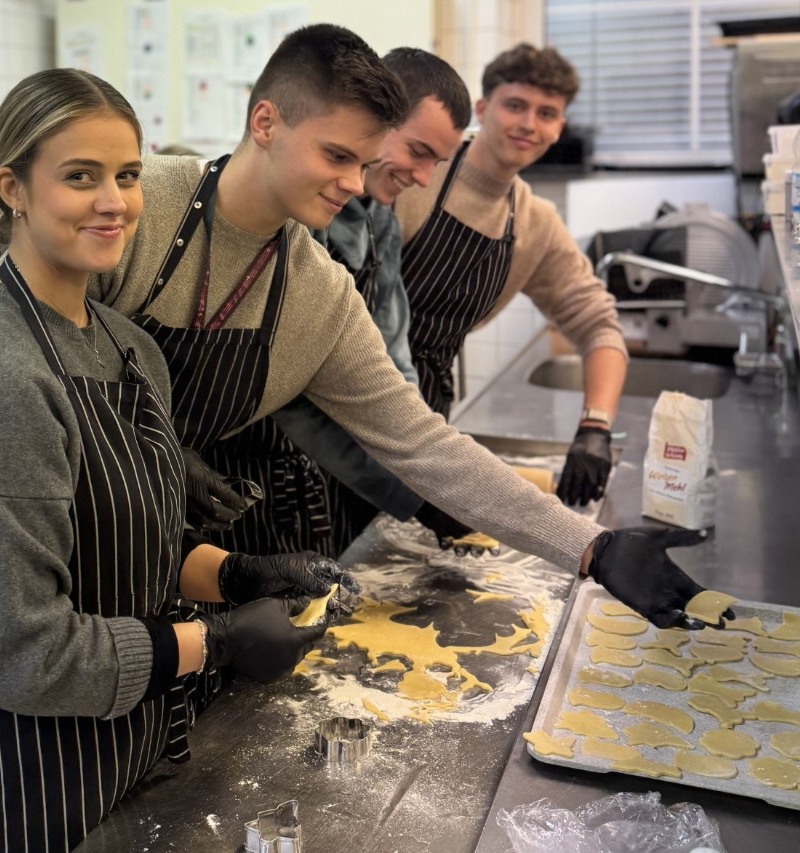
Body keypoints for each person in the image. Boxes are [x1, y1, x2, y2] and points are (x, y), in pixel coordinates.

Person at [91, 25, 723, 632]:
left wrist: (593, 547)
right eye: (337, 156)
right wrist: (160, 452)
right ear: (265, 123)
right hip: (62, 529)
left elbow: (419, 441)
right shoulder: (136, 205)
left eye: (364, 162)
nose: (353, 184)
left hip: (179, 543)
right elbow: (22, 343)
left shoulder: (319, 291)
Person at [0, 69, 352, 851]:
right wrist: (220, 642)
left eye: (128, 175)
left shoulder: (124, 345)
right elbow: (26, 653)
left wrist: (239, 573)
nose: (115, 201)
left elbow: (124, 555)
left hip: (125, 744)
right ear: (14, 188)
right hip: (15, 776)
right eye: (80, 176)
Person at [396, 43, 627, 507]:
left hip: (423, 415)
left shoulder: (535, 223)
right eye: (515, 105)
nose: (529, 124)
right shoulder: (421, 170)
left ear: (560, 127)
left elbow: (598, 325)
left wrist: (595, 427)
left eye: (547, 113)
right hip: (348, 390)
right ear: (483, 108)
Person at [270, 47, 477, 553]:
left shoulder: (377, 219)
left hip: (341, 468)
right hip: (265, 469)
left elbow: (391, 359)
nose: (425, 178)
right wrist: (413, 493)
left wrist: (432, 471)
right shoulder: (296, 223)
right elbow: (293, 392)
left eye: (438, 162)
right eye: (419, 152)